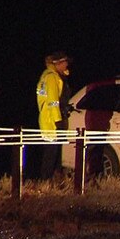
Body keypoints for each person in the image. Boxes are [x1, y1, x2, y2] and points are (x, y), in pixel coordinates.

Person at [36, 51, 72, 180]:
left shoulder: (51, 76)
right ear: (58, 63)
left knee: (55, 153)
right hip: (52, 121)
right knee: (51, 154)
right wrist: (58, 121)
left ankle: (53, 180)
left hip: (51, 119)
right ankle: (46, 181)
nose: (67, 64)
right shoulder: (51, 77)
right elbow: (53, 102)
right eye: (65, 62)